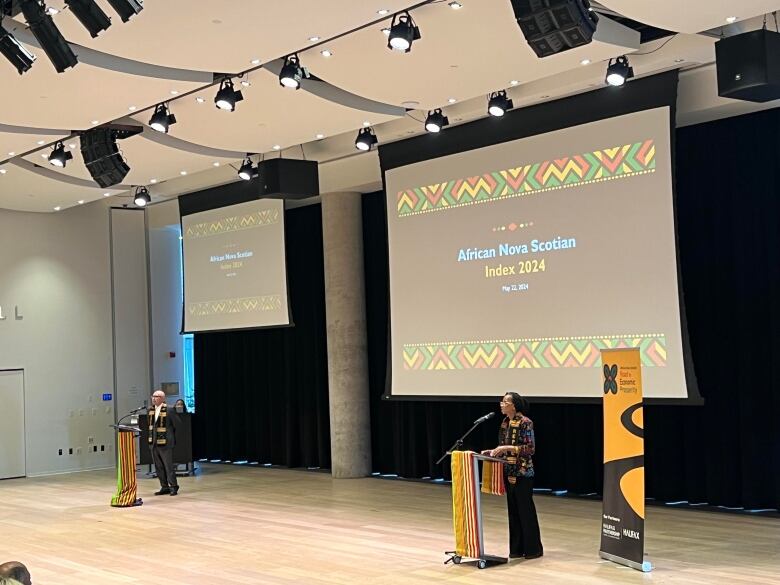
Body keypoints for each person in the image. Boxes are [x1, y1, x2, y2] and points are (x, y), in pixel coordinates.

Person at [482, 392, 543, 560]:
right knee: (513, 512)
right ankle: (516, 550)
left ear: (514, 405)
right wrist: (494, 452)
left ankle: (533, 550)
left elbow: (530, 449)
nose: (501, 404)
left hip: (523, 472)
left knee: (525, 511)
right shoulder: (505, 423)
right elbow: (504, 447)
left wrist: (506, 449)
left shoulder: (525, 422)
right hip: (508, 470)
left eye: (505, 401)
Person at [148, 390, 180, 496]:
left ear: (162, 398)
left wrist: (170, 436)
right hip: (154, 443)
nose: (153, 398)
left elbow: (177, 424)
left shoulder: (169, 409)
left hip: (165, 443)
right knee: (159, 466)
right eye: (152, 396)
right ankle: (164, 486)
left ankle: (173, 486)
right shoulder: (151, 410)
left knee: (168, 466)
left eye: (156, 396)